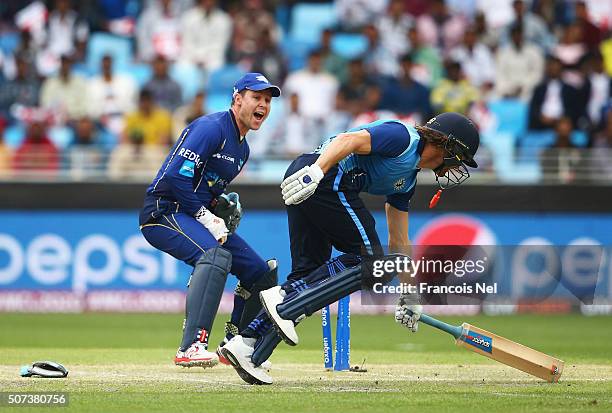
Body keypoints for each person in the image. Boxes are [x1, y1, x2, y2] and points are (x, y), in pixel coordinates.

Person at [220, 112, 480, 385]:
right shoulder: (403, 138)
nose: (460, 167)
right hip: (320, 176)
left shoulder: (409, 180)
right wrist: (316, 172)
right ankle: (284, 296)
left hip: (313, 176)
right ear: (448, 145)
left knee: (306, 277)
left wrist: (409, 293)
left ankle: (247, 345)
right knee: (373, 262)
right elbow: (349, 139)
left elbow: (400, 238)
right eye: (462, 158)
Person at [139, 73, 282, 369]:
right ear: (237, 98)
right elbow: (176, 177)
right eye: (256, 97)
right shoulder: (211, 128)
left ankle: (239, 345)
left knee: (261, 273)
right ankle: (191, 346)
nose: (263, 105)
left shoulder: (242, 150)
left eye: (267, 100)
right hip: (162, 212)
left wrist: (219, 204)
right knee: (215, 257)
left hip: (191, 212)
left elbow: (204, 188)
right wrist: (205, 215)